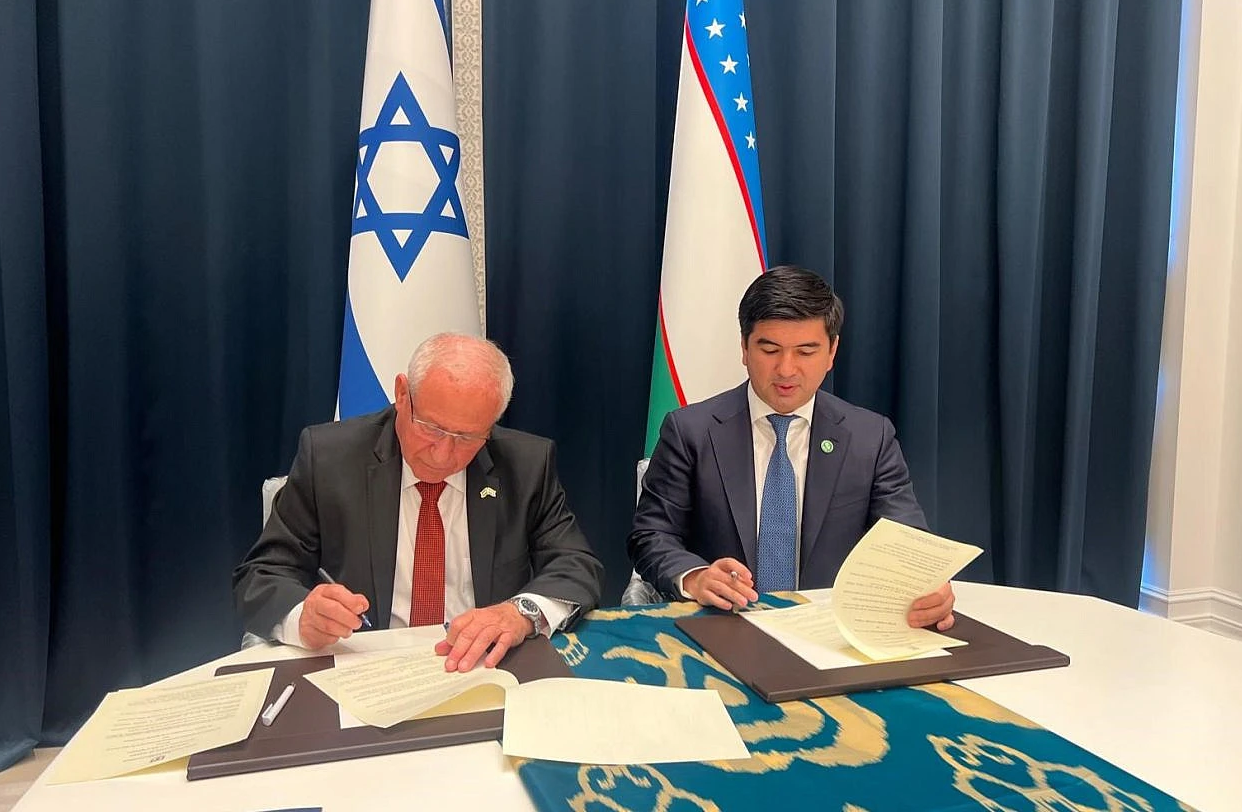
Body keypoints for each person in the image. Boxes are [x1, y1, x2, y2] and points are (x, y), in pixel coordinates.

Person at [234, 332, 604, 672]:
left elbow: (576, 565)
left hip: (482, 666)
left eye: (467, 437)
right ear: (402, 394)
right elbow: (263, 574)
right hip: (363, 665)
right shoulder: (330, 457)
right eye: (431, 428)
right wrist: (304, 617)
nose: (443, 455)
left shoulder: (526, 464)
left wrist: (518, 614)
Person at [628, 266, 955, 630]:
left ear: (831, 351)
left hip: (829, 632)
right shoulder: (691, 431)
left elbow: (906, 541)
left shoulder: (869, 437)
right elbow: (651, 535)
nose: (786, 370)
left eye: (805, 351)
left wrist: (927, 585)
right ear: (744, 347)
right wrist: (695, 576)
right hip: (723, 627)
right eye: (770, 349)